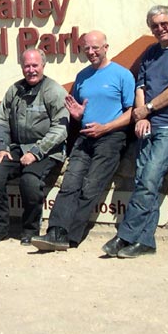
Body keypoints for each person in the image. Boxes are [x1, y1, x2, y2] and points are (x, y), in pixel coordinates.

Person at [102, 5, 168, 258]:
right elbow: (140, 86)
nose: (160, 28)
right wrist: (139, 116)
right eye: (155, 25)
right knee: (144, 180)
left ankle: (125, 235)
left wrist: (147, 109)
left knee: (148, 177)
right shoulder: (150, 53)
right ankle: (145, 242)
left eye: (164, 23)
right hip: (149, 123)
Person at [32, 31, 135, 251]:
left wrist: (105, 127)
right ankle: (55, 232)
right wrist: (78, 115)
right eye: (86, 48)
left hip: (111, 137)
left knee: (91, 187)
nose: (91, 52)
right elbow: (79, 109)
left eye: (95, 48)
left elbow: (131, 112)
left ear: (106, 47)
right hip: (85, 136)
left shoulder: (122, 75)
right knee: (69, 184)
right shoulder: (82, 76)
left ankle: (69, 236)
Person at [0, 48, 69, 245]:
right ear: (22, 67)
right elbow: (2, 120)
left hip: (47, 150)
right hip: (17, 147)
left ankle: (30, 230)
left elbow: (60, 129)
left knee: (29, 181)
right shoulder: (14, 90)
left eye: (35, 65)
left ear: (43, 66)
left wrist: (36, 152)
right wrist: (2, 147)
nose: (31, 70)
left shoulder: (54, 91)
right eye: (27, 66)